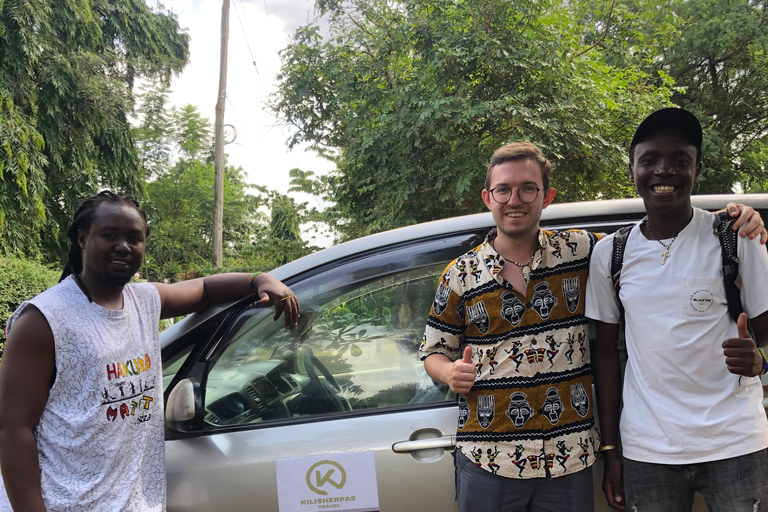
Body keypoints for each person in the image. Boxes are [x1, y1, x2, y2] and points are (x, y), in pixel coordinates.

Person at [419, 141, 766, 512]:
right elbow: (433, 352)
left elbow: (660, 237)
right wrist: (450, 371)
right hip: (490, 457)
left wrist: (730, 220)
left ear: (546, 196)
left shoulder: (585, 250)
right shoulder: (458, 275)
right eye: (503, 189)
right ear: (488, 198)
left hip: (569, 457)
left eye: (528, 188)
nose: (514, 199)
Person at [0, 191, 300, 512]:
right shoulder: (44, 320)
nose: (123, 246)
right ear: (83, 239)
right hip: (65, 504)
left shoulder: (144, 300)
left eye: (135, 238)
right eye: (110, 235)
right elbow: (12, 429)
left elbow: (205, 289)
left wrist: (260, 280)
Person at [586, 108, 768, 511]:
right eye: (650, 160)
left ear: (697, 169)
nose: (663, 171)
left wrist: (761, 362)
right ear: (632, 168)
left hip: (736, 440)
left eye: (680, 160)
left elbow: (765, 333)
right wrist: (611, 448)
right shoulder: (610, 254)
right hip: (648, 449)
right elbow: (607, 357)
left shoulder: (736, 238)